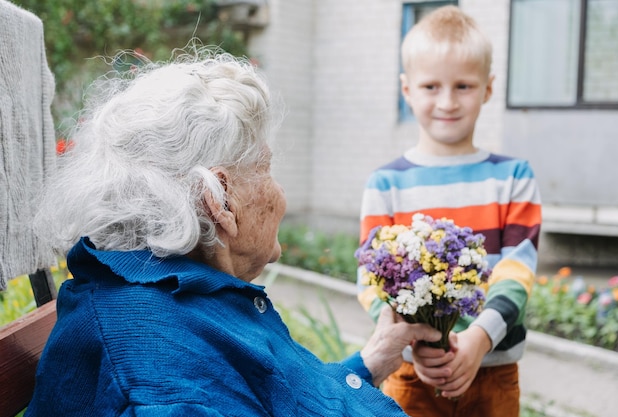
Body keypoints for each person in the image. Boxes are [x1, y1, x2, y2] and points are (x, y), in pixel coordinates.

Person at [25, 48, 444, 416]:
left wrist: (371, 360)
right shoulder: (163, 381)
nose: (280, 193)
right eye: (266, 168)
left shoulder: (177, 296)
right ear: (220, 201)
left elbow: (271, 394)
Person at [356, 6, 542, 417]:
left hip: (493, 370)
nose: (447, 101)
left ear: (488, 88)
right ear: (406, 90)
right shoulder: (386, 185)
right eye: (430, 86)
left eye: (463, 86)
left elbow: (518, 271)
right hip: (410, 371)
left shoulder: (513, 177)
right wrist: (416, 342)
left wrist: (478, 340)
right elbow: (371, 282)